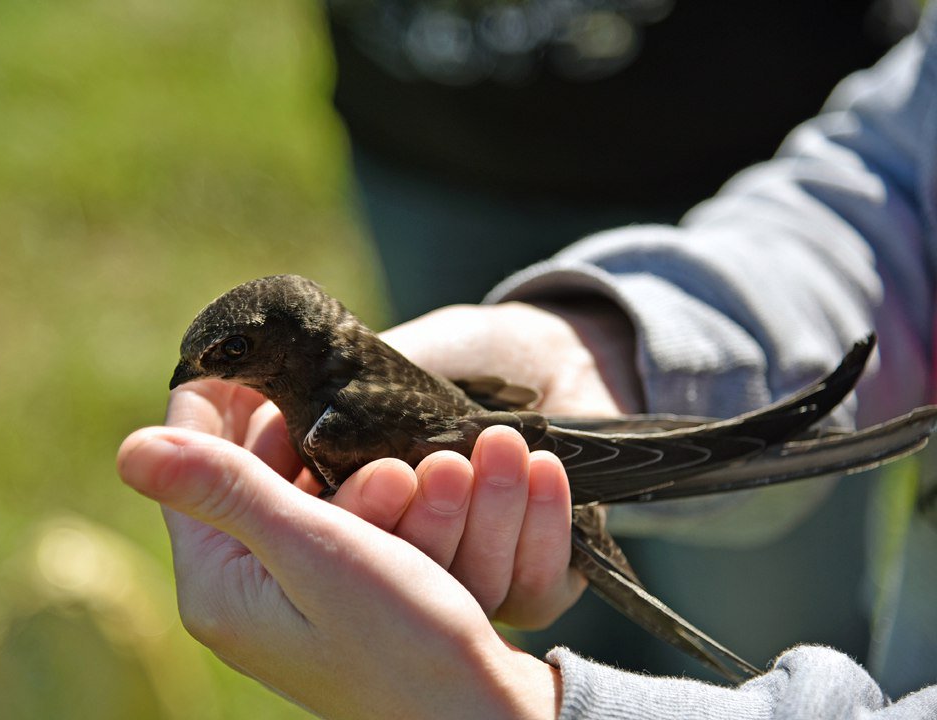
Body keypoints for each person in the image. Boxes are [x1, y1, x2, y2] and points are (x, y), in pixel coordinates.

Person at [116, 5, 937, 717]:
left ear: (279, 344)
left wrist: (506, 705)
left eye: (228, 357)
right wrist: (598, 344)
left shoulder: (340, 422)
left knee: (752, 620)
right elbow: (899, 177)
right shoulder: (338, 388)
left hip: (546, 458)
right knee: (555, 598)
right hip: (527, 431)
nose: (204, 376)